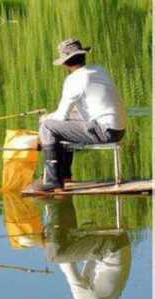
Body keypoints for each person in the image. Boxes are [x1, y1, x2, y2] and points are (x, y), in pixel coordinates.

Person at [26, 38, 127, 193]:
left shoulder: (73, 80)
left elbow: (61, 116)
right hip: (118, 128)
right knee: (63, 122)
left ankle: (52, 180)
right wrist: (53, 116)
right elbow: (71, 114)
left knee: (47, 127)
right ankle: (64, 175)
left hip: (104, 131)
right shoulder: (99, 70)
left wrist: (46, 118)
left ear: (65, 63)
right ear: (83, 56)